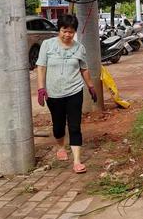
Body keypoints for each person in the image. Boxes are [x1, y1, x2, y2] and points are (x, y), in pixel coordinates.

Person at [36, 14, 97, 174]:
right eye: (64, 31)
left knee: (75, 126)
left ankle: (77, 161)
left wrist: (91, 87)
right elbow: (41, 67)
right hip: (53, 93)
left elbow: (84, 69)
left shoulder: (79, 48)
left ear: (75, 32)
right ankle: (60, 146)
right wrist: (41, 88)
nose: (67, 35)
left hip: (74, 91)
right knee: (58, 125)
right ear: (59, 30)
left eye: (71, 32)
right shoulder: (47, 45)